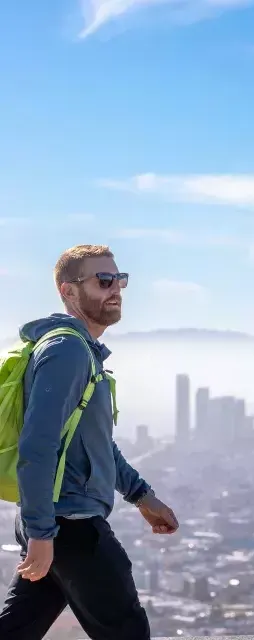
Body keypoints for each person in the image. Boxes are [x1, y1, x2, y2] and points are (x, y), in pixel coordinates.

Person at [0, 244, 179, 640]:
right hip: (70, 526)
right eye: (103, 280)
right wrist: (43, 535)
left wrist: (142, 497)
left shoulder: (80, 350)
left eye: (119, 279)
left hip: (54, 520)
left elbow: (95, 442)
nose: (115, 288)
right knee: (127, 632)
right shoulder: (67, 351)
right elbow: (37, 446)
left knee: (16, 631)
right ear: (68, 291)